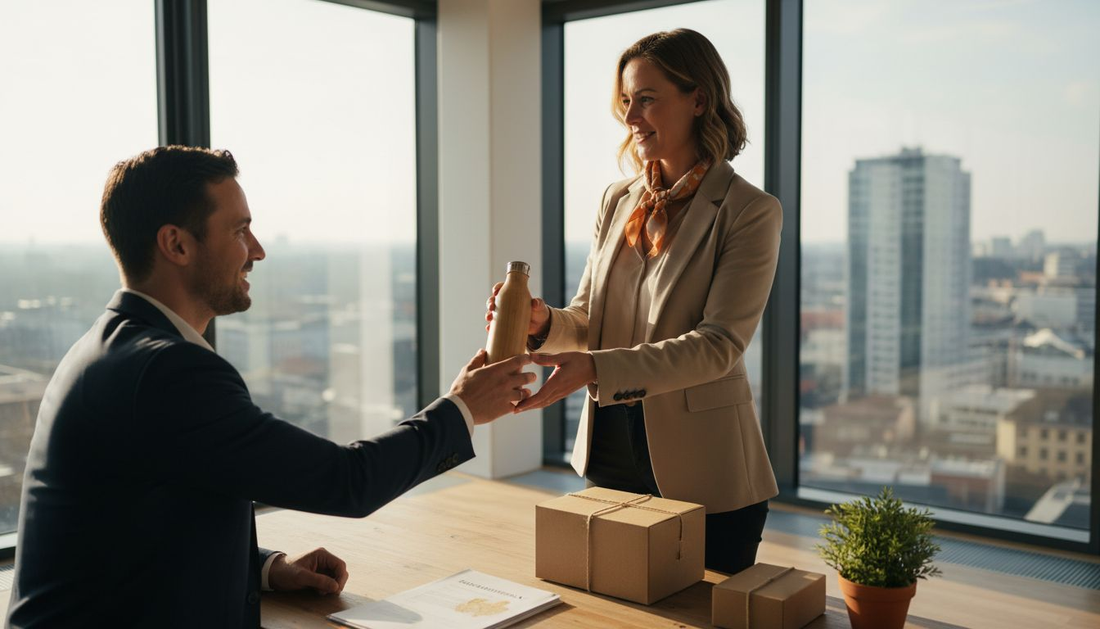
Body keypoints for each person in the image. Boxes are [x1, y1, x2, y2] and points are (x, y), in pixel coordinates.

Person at [7, 146, 534, 629]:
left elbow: (140, 521)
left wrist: (265, 568)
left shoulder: (108, 346)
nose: (257, 250)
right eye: (240, 231)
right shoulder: (169, 371)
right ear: (177, 244)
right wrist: (463, 408)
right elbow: (345, 481)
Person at [488, 29, 781, 575]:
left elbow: (719, 346)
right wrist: (544, 321)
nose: (630, 117)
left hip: (706, 469)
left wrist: (597, 368)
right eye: (626, 101)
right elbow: (589, 318)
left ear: (699, 100)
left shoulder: (749, 211)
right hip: (610, 453)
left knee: (707, 610)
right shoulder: (618, 199)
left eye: (646, 99)